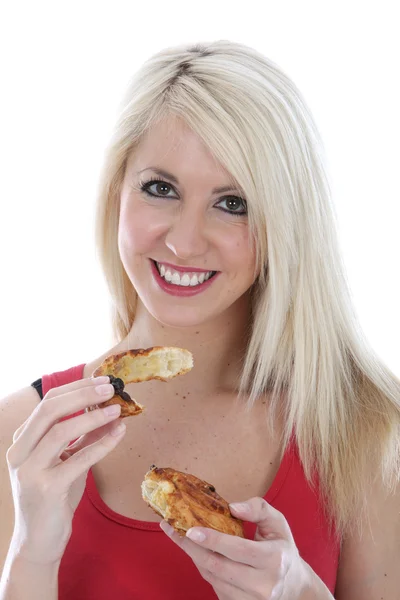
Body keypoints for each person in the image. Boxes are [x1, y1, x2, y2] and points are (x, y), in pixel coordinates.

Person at [0, 39, 399, 600]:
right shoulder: (18, 436)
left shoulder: (367, 430)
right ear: (117, 192)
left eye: (232, 203)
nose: (184, 243)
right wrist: (32, 555)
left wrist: (303, 595)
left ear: (287, 223)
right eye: (160, 189)